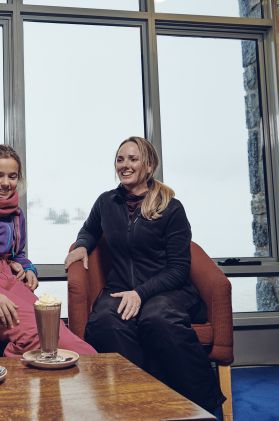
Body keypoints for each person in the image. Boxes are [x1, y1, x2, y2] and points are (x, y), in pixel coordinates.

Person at [64, 136, 225, 412]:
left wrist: (141, 293)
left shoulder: (171, 207)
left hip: (167, 291)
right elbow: (90, 229)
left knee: (158, 318)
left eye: (133, 159)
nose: (125, 165)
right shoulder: (106, 202)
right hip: (119, 288)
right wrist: (81, 246)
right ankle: (140, 401)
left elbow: (178, 269)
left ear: (149, 166)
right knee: (104, 322)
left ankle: (205, 405)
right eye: (120, 159)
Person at [0, 144, 96, 358]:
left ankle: (98, 380)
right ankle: (20, 383)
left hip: (13, 283)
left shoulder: (17, 214)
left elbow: (17, 255)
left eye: (12, 176)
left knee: (56, 331)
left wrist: (29, 269)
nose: (5, 183)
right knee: (35, 337)